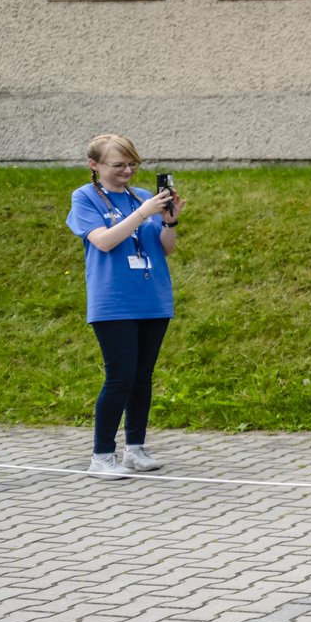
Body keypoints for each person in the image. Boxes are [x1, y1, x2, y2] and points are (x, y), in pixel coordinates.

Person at [66, 134, 181, 479]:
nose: (128, 171)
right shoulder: (85, 197)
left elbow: (166, 248)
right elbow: (103, 241)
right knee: (119, 377)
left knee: (142, 377)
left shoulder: (143, 196)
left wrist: (169, 221)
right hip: (113, 300)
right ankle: (102, 455)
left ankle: (135, 448)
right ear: (94, 165)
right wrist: (143, 213)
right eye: (118, 165)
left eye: (132, 164)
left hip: (152, 297)